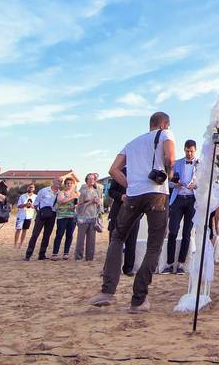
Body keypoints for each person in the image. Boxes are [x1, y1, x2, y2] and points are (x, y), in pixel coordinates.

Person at [90, 111, 175, 313]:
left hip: (134, 195)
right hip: (156, 194)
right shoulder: (166, 134)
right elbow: (171, 159)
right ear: (164, 125)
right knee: (154, 245)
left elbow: (113, 170)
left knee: (118, 238)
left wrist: (131, 185)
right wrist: (167, 175)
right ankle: (138, 299)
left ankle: (107, 291)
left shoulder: (132, 142)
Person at [163, 140, 198, 274]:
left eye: (192, 151)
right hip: (178, 199)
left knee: (187, 233)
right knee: (173, 230)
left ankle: (181, 264)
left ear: (195, 150)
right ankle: (170, 263)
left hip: (191, 200)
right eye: (187, 151)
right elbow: (169, 181)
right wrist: (174, 184)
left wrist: (196, 185)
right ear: (184, 150)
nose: (189, 154)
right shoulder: (177, 163)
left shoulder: (200, 165)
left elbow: (204, 184)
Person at [106, 169, 138, 276]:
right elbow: (111, 191)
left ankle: (128, 268)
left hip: (135, 211)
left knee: (131, 241)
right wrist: (121, 196)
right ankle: (112, 268)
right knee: (114, 240)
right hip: (118, 211)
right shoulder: (120, 171)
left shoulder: (143, 171)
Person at [25, 178, 60, 261]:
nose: (59, 182)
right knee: (35, 235)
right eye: (57, 180)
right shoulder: (43, 191)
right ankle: (28, 254)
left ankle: (42, 254)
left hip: (52, 215)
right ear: (53, 181)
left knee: (47, 235)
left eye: (61, 181)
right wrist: (39, 213)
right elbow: (36, 204)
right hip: (41, 215)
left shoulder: (60, 193)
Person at [75, 173, 102, 262]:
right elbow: (80, 205)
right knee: (81, 239)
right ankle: (79, 256)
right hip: (83, 217)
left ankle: (89, 257)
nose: (91, 180)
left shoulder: (96, 191)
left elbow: (99, 205)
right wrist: (91, 201)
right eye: (89, 179)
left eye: (93, 179)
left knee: (91, 239)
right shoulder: (83, 191)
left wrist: (98, 203)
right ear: (86, 180)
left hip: (93, 216)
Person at [52, 173, 79, 260]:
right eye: (68, 183)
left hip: (72, 216)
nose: (69, 185)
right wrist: (72, 197)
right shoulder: (61, 192)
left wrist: (75, 206)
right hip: (62, 216)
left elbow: (79, 204)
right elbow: (61, 201)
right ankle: (55, 253)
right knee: (59, 234)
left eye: (71, 183)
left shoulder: (76, 193)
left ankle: (66, 253)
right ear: (65, 184)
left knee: (69, 235)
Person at [14, 184, 36, 249]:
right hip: (21, 215)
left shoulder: (36, 197)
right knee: (18, 229)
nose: (31, 188)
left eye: (32, 187)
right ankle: (15, 244)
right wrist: (25, 204)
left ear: (34, 189)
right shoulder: (22, 196)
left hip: (29, 216)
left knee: (25, 230)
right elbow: (18, 206)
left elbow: (36, 207)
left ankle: (20, 244)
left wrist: (31, 205)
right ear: (27, 188)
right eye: (30, 187)